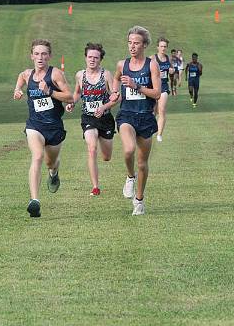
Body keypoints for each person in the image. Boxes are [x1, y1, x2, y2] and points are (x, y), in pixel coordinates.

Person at [13, 39, 74, 218]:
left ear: (49, 56)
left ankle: (54, 173)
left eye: (44, 54)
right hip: (35, 125)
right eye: (37, 54)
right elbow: (20, 77)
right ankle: (35, 201)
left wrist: (50, 91)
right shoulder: (27, 74)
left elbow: (69, 97)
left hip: (54, 127)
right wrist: (17, 90)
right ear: (32, 56)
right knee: (37, 156)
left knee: (50, 162)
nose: (40, 57)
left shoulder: (55, 74)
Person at [111, 26, 161, 216]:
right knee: (129, 149)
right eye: (130, 42)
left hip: (146, 117)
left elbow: (156, 93)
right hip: (126, 115)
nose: (132, 46)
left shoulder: (151, 65)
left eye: (136, 43)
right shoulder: (121, 64)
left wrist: (137, 86)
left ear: (144, 45)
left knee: (142, 163)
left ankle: (139, 201)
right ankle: (130, 177)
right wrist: (115, 92)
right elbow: (116, 79)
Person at [68, 43, 117, 197]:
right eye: (90, 57)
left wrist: (104, 107)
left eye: (96, 57)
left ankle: (105, 148)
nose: (92, 60)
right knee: (91, 148)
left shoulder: (106, 75)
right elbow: (76, 93)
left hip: (105, 119)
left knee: (106, 156)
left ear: (100, 60)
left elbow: (116, 97)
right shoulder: (80, 75)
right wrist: (72, 103)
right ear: (85, 58)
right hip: (88, 117)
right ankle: (95, 186)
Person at [153, 37, 172, 142]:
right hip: (153, 87)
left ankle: (159, 134)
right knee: (153, 111)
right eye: (161, 46)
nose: (163, 48)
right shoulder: (153, 58)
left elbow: (172, 70)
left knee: (162, 110)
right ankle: (150, 130)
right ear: (158, 47)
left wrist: (172, 71)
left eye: (165, 46)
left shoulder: (168, 58)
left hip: (164, 87)